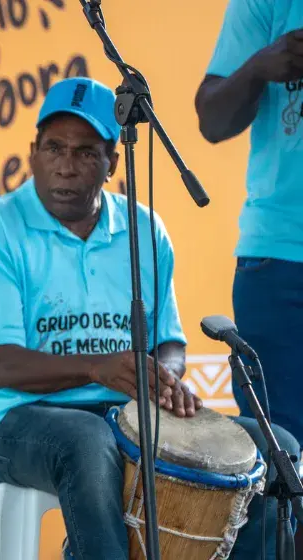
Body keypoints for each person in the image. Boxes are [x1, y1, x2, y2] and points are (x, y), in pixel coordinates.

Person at [0, 76, 300, 560]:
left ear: (111, 162)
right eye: (53, 149)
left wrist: (165, 377)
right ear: (33, 153)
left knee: (275, 447)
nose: (65, 167)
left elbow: (170, 342)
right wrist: (99, 369)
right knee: (87, 439)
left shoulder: (143, 228)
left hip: (132, 414)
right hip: (22, 424)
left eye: (84, 152)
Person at [195, 0, 303, 453]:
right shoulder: (266, 4)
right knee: (280, 456)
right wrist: (260, 66)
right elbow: (212, 120)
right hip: (281, 257)